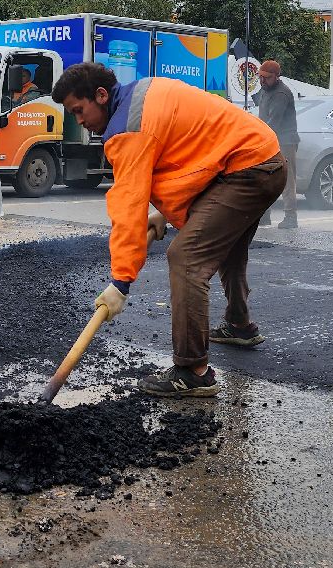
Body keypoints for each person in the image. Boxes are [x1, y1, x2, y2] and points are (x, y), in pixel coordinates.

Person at [54, 62, 286, 398]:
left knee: (186, 258)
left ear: (101, 95)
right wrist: (164, 212)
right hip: (263, 158)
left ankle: (193, 371)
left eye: (79, 110)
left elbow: (128, 206)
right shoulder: (139, 94)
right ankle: (239, 325)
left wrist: (120, 282)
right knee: (226, 246)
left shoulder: (126, 130)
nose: (78, 120)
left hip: (247, 169)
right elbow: (184, 153)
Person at [252, 59, 300, 229]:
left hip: (285, 142)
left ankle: (291, 217)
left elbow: (273, 122)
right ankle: (265, 216)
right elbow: (262, 117)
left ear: (276, 77)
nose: (262, 81)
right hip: (269, 141)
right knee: (266, 179)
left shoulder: (281, 94)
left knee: (286, 180)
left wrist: (256, 138)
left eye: (266, 78)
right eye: (261, 77)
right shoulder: (265, 90)